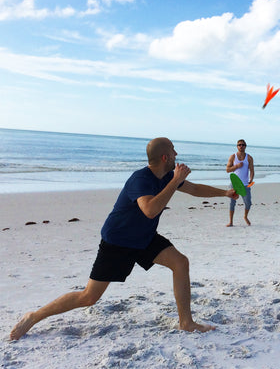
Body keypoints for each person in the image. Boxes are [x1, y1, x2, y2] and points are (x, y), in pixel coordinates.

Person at [10, 137, 238, 340]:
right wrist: (174, 180)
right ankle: (34, 316)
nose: (177, 155)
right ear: (165, 156)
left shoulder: (167, 176)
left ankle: (186, 323)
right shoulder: (141, 179)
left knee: (180, 262)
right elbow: (150, 209)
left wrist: (224, 193)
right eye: (174, 151)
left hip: (144, 238)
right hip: (117, 242)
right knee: (89, 297)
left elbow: (194, 189)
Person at [226, 139, 254, 227]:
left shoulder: (249, 157)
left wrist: (251, 179)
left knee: (248, 203)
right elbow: (228, 170)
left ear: (245, 146)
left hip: (245, 184)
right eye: (239, 145)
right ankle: (231, 222)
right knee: (232, 203)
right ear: (237, 146)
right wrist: (237, 166)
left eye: (243, 145)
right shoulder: (233, 157)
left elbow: (252, 170)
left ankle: (245, 216)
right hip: (234, 184)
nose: (241, 146)